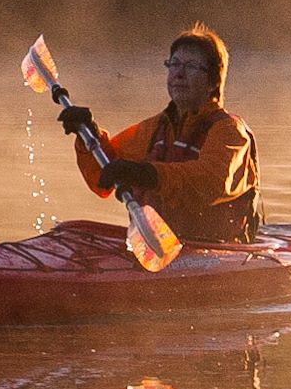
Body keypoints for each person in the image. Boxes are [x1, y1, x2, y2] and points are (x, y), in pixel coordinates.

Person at [54, 24, 258, 245]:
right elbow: (102, 178)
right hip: (154, 247)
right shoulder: (153, 129)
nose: (179, 73)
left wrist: (147, 174)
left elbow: (211, 182)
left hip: (218, 251)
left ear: (212, 83)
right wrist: (88, 137)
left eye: (191, 66)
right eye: (174, 64)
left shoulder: (230, 132)